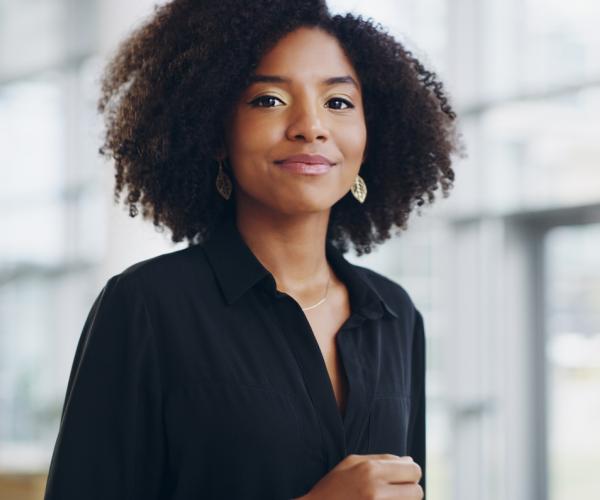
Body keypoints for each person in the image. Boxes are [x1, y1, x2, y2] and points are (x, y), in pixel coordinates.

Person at [43, 0, 460, 498]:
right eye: (268, 100)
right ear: (215, 133)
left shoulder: (395, 315)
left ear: (373, 136)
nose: (311, 126)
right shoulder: (146, 307)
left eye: (339, 103)